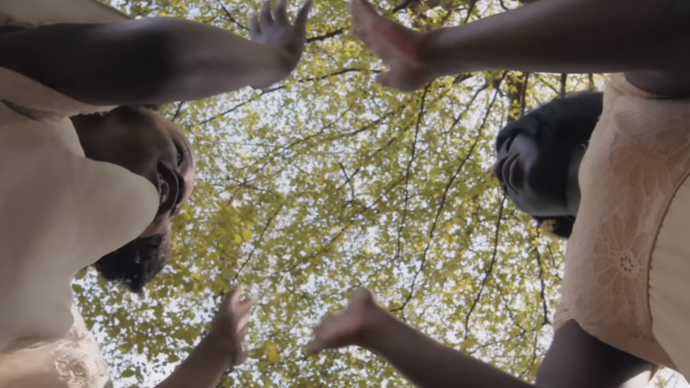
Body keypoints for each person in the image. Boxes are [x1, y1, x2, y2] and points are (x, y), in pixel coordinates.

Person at [308, 0, 690, 386]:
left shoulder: (635, 103)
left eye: (508, 143)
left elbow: (668, 19)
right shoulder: (579, 301)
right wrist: (384, 334)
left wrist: (431, 52)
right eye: (504, 187)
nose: (499, 169)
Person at [0, 0, 311, 387]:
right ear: (124, 105)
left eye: (170, 209)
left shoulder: (51, 328)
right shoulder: (19, 89)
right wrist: (272, 61)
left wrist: (217, 350)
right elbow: (161, 57)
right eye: (180, 155)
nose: (173, 187)